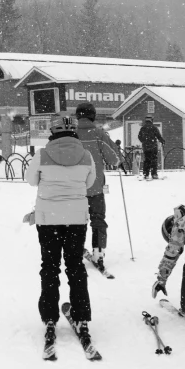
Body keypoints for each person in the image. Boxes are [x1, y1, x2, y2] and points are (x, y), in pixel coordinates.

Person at [25, 114, 96, 356]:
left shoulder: (42, 154)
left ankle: (49, 316)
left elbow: (30, 180)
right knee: (75, 266)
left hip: (49, 219)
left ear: (52, 133)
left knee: (50, 266)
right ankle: (81, 314)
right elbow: (90, 182)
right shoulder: (86, 155)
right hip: (77, 219)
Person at [75, 102, 119, 271]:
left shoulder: (71, 135)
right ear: (92, 116)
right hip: (95, 188)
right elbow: (114, 158)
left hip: (74, 188)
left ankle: (75, 247)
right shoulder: (99, 134)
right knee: (98, 219)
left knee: (77, 220)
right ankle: (98, 252)